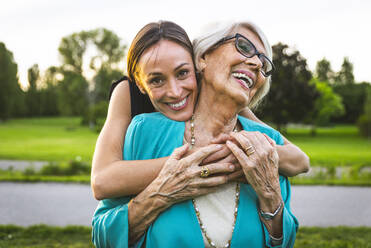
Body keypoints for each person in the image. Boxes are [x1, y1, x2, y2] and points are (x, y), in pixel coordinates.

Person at [92, 20, 299, 247]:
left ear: (195, 67)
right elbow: (102, 196)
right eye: (243, 47)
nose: (175, 91)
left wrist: (270, 196)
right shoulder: (141, 125)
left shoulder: (265, 148)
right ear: (203, 58)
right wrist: (165, 187)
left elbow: (300, 164)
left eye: (182, 73)